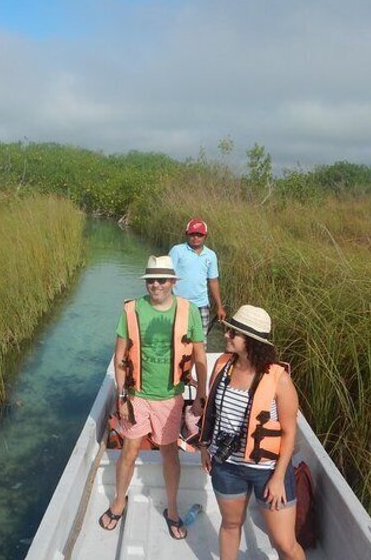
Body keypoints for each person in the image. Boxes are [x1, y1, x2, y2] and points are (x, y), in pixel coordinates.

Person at [97, 255, 208, 540]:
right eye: (150, 280)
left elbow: (198, 356)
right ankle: (119, 501)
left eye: (161, 280)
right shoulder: (132, 310)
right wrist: (122, 396)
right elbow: (120, 355)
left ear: (173, 282)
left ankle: (172, 509)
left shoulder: (189, 311)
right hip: (137, 395)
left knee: (170, 453)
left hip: (171, 398)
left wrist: (201, 394)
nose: (155, 285)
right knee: (129, 449)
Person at [198, 305, 305, 560]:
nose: (226, 335)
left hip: (267, 471)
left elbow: (290, 433)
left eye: (233, 333)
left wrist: (278, 478)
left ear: (251, 342)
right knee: (231, 525)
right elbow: (212, 411)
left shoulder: (279, 380)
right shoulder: (223, 366)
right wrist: (204, 446)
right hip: (226, 466)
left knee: (285, 543)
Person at [169, 218, 227, 332]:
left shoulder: (210, 255)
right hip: (179, 303)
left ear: (206, 236)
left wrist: (219, 306)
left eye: (199, 235)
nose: (195, 238)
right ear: (186, 234)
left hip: (202, 304)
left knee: (201, 341)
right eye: (192, 234)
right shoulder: (177, 251)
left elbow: (213, 281)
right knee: (177, 339)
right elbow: (168, 277)